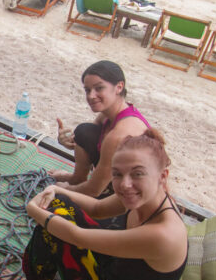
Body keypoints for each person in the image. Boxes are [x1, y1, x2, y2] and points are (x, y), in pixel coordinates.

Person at [24, 129, 187, 280]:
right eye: (117, 174)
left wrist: (34, 210)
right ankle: (36, 277)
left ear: (162, 176)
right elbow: (97, 208)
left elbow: (77, 237)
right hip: (117, 275)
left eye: (137, 173)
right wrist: (57, 189)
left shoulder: (164, 235)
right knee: (58, 204)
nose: (125, 184)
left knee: (56, 225)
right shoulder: (143, 195)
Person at [51, 60, 150, 197]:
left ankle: (102, 188)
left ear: (119, 87)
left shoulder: (120, 133)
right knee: (84, 131)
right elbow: (84, 141)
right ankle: (77, 178)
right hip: (120, 175)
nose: (91, 96)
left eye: (99, 88)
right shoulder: (108, 114)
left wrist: (61, 189)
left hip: (133, 198)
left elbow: (93, 190)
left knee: (56, 199)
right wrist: (67, 141)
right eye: (87, 90)